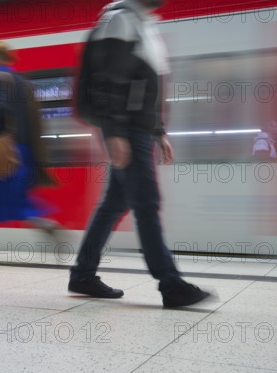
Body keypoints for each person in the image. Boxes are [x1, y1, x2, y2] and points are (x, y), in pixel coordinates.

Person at [69, 0, 210, 307]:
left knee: (114, 203)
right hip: (127, 128)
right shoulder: (121, 19)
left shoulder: (143, 24)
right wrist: (116, 131)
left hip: (138, 128)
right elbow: (110, 78)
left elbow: (144, 88)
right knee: (146, 202)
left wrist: (159, 131)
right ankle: (170, 283)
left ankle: (82, 274)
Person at [0, 40, 58, 264]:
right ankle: (43, 223)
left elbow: (4, 110)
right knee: (12, 198)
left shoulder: (1, 80)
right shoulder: (20, 81)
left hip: (4, 150)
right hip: (21, 149)